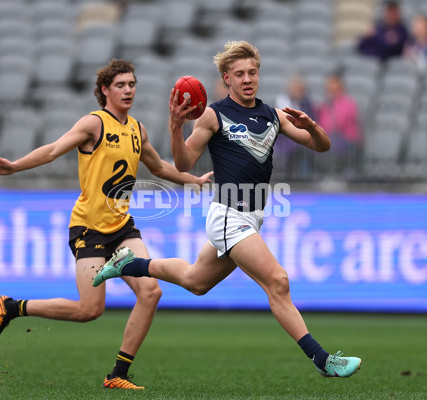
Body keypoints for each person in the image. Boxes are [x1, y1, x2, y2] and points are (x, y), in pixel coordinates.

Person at [92, 41, 362, 378]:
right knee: (277, 281)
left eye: (252, 72)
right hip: (228, 216)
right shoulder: (212, 115)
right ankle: (323, 361)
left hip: (252, 217)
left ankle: (131, 263)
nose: (248, 79)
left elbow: (322, 146)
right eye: (240, 74)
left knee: (195, 281)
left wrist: (311, 126)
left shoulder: (273, 115)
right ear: (227, 78)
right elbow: (183, 161)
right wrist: (176, 127)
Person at [0, 59, 213, 390]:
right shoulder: (93, 124)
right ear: (105, 90)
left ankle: (117, 374)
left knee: (150, 291)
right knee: (90, 310)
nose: (128, 89)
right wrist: (15, 166)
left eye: (132, 84)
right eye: (121, 85)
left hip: (122, 228)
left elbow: (159, 167)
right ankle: (12, 307)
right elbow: (53, 150)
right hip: (89, 228)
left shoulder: (137, 129)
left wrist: (192, 180)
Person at [316, 73, 362, 174]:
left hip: (348, 141)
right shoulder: (324, 105)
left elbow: (337, 124)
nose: (330, 89)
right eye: (328, 86)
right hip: (331, 139)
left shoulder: (348, 103)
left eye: (333, 86)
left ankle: (335, 174)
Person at [274, 75, 315, 176]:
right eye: (294, 88)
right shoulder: (281, 101)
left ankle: (304, 178)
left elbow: (310, 121)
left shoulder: (306, 103)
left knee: (304, 149)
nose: (297, 91)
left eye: (299, 89)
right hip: (284, 139)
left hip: (301, 139)